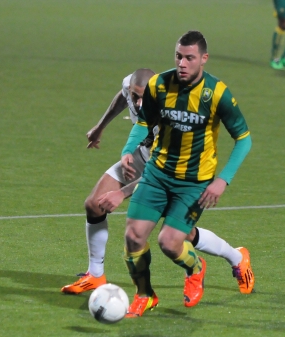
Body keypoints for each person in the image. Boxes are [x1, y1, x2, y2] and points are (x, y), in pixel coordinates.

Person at [61, 69, 252, 295]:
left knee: (181, 236)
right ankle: (95, 275)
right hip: (140, 156)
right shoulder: (131, 86)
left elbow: (154, 172)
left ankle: (238, 258)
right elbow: (122, 97)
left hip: (165, 168)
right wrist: (100, 127)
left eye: (143, 97)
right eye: (135, 96)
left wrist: (122, 193)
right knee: (93, 204)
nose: (139, 103)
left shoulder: (169, 108)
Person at [120, 31, 253, 317]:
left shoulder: (217, 93)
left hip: (193, 182)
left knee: (169, 242)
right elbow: (144, 122)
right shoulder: (158, 84)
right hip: (158, 174)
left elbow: (244, 138)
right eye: (178, 56)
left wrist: (222, 179)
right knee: (133, 237)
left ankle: (196, 267)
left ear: (203, 59)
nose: (182, 63)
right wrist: (128, 150)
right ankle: (145, 295)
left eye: (189, 58)